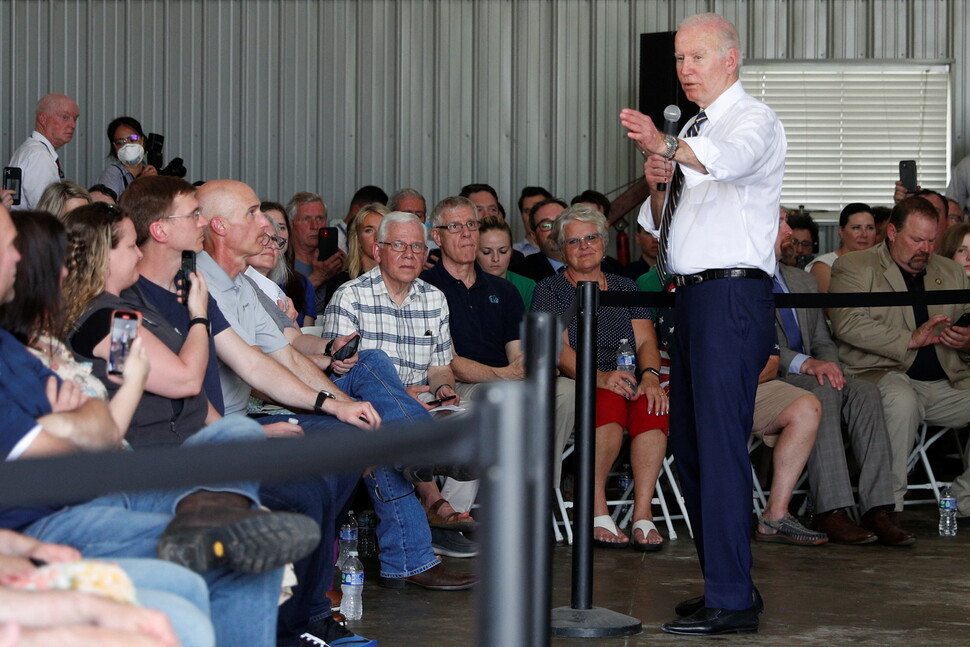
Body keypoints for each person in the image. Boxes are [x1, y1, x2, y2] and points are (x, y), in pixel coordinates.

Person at [0, 203, 310, 647]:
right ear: (104, 256)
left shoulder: (130, 308)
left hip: (144, 453)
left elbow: (176, 397)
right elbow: (182, 380)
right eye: (128, 246)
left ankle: (212, 510)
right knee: (238, 496)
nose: (139, 256)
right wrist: (200, 314)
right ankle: (212, 512)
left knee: (238, 435)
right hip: (143, 457)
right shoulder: (114, 318)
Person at [197, 183, 475, 597]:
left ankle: (415, 464)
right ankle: (422, 455)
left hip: (286, 397)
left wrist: (345, 396)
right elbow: (260, 366)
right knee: (373, 384)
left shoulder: (245, 286)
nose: (270, 229)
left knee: (370, 415)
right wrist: (336, 402)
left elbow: (286, 353)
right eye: (254, 213)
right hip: (246, 415)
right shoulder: (199, 284)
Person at [620, 11, 786, 635]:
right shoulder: (692, 126)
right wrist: (659, 183)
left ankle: (733, 598)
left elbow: (732, 163)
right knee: (689, 445)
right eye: (680, 59)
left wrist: (668, 148)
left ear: (730, 59)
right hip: (688, 298)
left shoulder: (752, 120)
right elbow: (662, 230)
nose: (685, 69)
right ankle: (727, 580)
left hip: (730, 298)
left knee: (717, 447)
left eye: (697, 57)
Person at [772, 210, 914, 546]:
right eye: (780, 224)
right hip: (773, 376)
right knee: (821, 391)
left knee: (864, 392)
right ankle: (831, 509)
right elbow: (755, 345)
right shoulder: (742, 282)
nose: (790, 231)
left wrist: (830, 366)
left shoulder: (802, 281)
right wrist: (808, 365)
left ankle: (878, 508)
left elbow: (822, 338)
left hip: (815, 372)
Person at [531, 204, 668, 551]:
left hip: (628, 377)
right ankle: (596, 511)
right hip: (584, 378)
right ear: (562, 250)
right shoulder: (549, 290)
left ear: (604, 243)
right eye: (574, 241)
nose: (584, 246)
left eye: (591, 237)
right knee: (605, 403)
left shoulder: (625, 287)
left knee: (653, 407)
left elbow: (646, 338)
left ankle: (642, 513)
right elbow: (556, 350)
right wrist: (601, 377)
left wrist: (651, 376)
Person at [828, 196, 970, 517]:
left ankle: (962, 499)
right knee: (901, 399)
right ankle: (885, 507)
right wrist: (910, 338)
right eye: (917, 239)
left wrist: (967, 340)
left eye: (932, 240)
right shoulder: (854, 266)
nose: (926, 249)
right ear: (891, 232)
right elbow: (847, 322)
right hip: (879, 374)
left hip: (947, 382)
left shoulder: (949, 271)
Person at [7, 94, 79, 210]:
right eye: (65, 117)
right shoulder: (39, 156)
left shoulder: (30, 150)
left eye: (75, 119)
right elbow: (47, 211)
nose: (73, 125)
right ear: (43, 119)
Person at [286, 192, 347, 307]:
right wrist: (317, 278)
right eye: (306, 219)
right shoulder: (282, 263)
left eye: (320, 218)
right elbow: (280, 309)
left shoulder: (334, 261)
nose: (315, 226)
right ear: (291, 224)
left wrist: (346, 272)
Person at [805, 203, 877, 293]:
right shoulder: (825, 266)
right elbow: (832, 305)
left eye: (870, 228)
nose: (864, 234)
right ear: (841, 231)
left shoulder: (882, 264)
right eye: (856, 228)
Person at [476, 215, 537, 308]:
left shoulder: (527, 286)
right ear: (474, 252)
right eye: (486, 252)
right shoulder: (464, 286)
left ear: (512, 251)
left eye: (503, 251)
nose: (495, 258)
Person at [95, 117, 158, 199]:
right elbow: (107, 209)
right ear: (114, 147)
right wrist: (140, 185)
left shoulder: (150, 172)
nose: (127, 146)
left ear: (143, 141)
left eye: (132, 139)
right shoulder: (113, 174)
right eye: (120, 142)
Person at [514, 186, 552, 255]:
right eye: (528, 211)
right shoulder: (512, 253)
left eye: (538, 209)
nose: (533, 215)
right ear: (522, 216)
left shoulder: (566, 250)